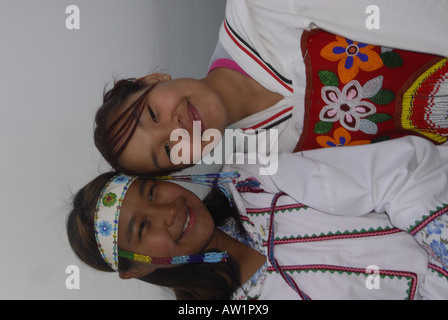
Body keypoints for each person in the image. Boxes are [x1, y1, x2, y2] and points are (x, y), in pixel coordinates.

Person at [94, 0, 448, 176]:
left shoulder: (260, 10)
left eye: (153, 114)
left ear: (152, 81)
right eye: (168, 151)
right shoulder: (267, 169)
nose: (177, 131)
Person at [67, 136, 448, 299]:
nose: (169, 211)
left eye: (151, 192)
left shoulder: (253, 176)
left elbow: (396, 175)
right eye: (142, 227)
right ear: (136, 268)